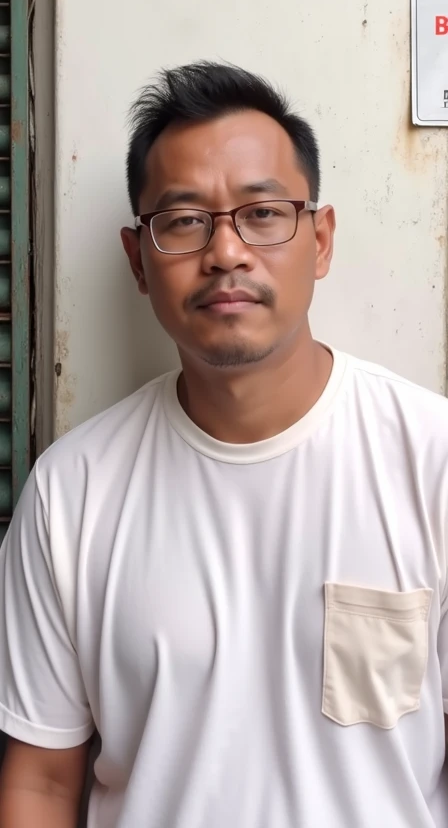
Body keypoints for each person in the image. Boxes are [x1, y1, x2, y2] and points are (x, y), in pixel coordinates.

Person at [0, 60, 447, 828]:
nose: (227, 252)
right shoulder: (71, 494)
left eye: (263, 213)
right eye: (183, 220)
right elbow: (40, 780)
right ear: (138, 260)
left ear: (322, 238)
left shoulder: (431, 459)